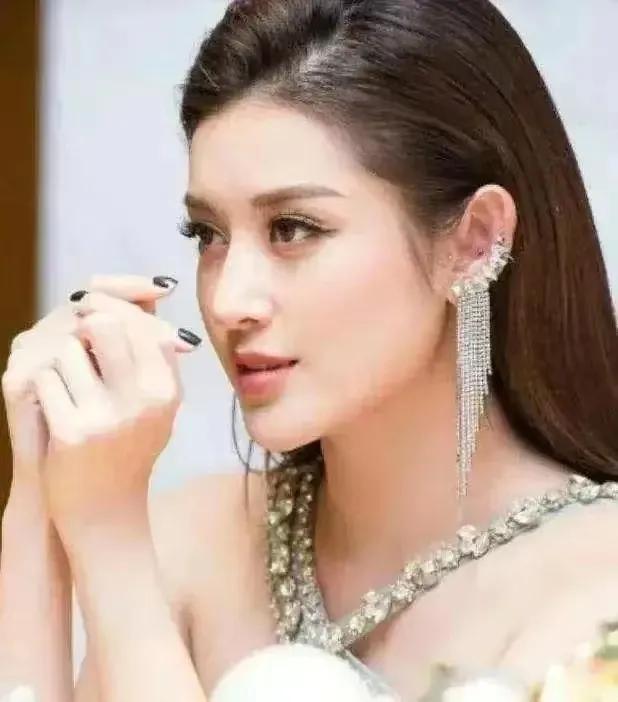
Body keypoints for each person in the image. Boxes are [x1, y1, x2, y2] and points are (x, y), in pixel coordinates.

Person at [1, 0, 617, 700]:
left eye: (293, 229)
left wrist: (112, 550)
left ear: (475, 241)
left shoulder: (595, 596)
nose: (228, 299)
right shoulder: (192, 544)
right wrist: (37, 497)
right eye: (209, 235)